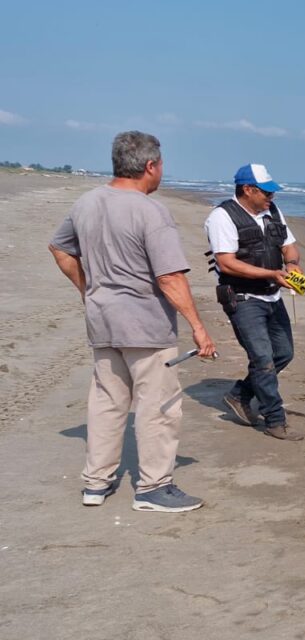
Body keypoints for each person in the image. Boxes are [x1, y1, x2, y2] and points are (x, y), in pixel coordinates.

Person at [49, 130, 214, 513]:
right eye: (161, 166)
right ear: (150, 166)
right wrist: (198, 326)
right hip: (146, 326)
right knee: (158, 405)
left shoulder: (87, 202)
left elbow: (59, 247)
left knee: (108, 401)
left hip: (103, 320)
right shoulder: (150, 210)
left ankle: (96, 482)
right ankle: (153, 486)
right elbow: (170, 277)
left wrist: (88, 289)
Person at [203, 164, 303, 440]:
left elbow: (289, 245)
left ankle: (240, 394)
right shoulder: (222, 217)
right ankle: (275, 419)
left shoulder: (273, 211)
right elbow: (227, 263)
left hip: (273, 295)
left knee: (283, 354)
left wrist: (292, 264)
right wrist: (272, 273)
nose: (272, 197)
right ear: (248, 190)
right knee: (262, 359)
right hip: (243, 298)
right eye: (267, 192)